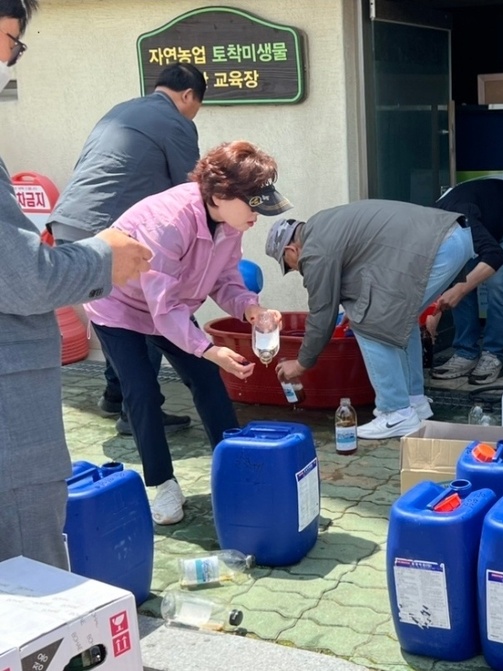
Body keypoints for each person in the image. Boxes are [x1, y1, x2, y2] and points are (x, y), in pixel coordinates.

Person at [0, 0, 154, 568]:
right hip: (9, 421)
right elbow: (21, 279)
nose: (12, 60)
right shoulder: (174, 198)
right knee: (27, 573)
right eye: (12, 40)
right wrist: (103, 258)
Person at [83, 140, 292, 525]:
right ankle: (162, 485)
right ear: (221, 194)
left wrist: (252, 308)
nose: (257, 217)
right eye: (253, 206)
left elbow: (225, 278)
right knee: (142, 392)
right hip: (120, 306)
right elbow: (163, 308)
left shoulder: (231, 222)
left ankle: (234, 469)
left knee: (207, 379)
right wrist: (208, 347)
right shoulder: (167, 222)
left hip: (171, 307)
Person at [48, 62, 208, 436]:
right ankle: (139, 413)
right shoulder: (177, 123)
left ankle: (116, 395)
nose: (194, 112)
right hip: (110, 233)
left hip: (68, 226)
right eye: (197, 105)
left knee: (110, 311)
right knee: (143, 311)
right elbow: (191, 193)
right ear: (188, 96)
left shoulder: (120, 111)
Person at [266, 200, 474, 440]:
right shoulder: (324, 225)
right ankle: (414, 403)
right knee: (397, 317)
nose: (296, 270)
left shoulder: (315, 250)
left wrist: (301, 363)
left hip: (438, 246)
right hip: (453, 237)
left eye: (290, 266)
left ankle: (395, 413)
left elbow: (322, 311)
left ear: (291, 250)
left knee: (373, 323)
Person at [430, 178, 503, 385]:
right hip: (487, 216)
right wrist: (432, 308)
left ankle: (493, 354)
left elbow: (495, 256)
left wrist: (460, 290)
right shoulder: (430, 229)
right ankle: (465, 352)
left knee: (497, 280)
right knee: (457, 275)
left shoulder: (459, 217)